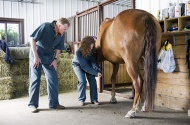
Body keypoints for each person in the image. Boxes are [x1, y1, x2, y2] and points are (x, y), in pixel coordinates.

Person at [28, 17, 70, 113]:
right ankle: (32, 105)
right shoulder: (46, 26)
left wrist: (55, 59)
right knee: (35, 79)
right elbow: (32, 39)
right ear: (59, 26)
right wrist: (35, 56)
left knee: (53, 78)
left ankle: (54, 103)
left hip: (49, 56)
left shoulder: (61, 33)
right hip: (37, 52)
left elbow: (59, 47)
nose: (65, 31)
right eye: (64, 28)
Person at [72, 36, 102, 106]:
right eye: (90, 46)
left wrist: (97, 70)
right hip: (78, 65)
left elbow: (93, 62)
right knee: (82, 81)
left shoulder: (93, 51)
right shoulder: (78, 51)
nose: (92, 48)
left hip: (88, 65)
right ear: (85, 46)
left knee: (93, 81)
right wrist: (95, 73)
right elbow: (84, 66)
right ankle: (81, 99)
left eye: (93, 46)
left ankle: (94, 99)